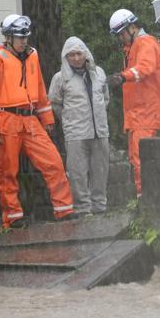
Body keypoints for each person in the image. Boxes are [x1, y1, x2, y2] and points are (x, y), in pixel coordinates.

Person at [0, 14, 74, 229]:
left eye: (25, 37)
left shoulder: (33, 55)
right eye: (19, 37)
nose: (24, 41)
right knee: (8, 171)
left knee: (54, 163)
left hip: (31, 120)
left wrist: (47, 117)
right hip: (7, 120)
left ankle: (64, 210)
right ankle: (13, 217)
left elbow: (40, 88)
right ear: (8, 37)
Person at [107, 9, 160, 197]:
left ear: (131, 28)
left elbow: (145, 68)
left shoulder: (145, 44)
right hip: (139, 114)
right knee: (139, 159)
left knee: (141, 159)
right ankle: (146, 199)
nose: (120, 39)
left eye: (120, 34)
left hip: (145, 113)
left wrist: (122, 76)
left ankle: (147, 201)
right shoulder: (137, 46)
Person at [49, 36, 110, 216]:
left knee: (100, 170)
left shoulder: (99, 73)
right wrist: (69, 119)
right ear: (65, 57)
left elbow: (105, 98)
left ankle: (100, 207)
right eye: (71, 55)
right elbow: (55, 103)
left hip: (100, 131)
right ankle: (83, 209)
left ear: (86, 53)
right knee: (77, 173)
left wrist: (98, 116)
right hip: (76, 132)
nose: (76, 58)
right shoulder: (60, 78)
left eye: (78, 53)